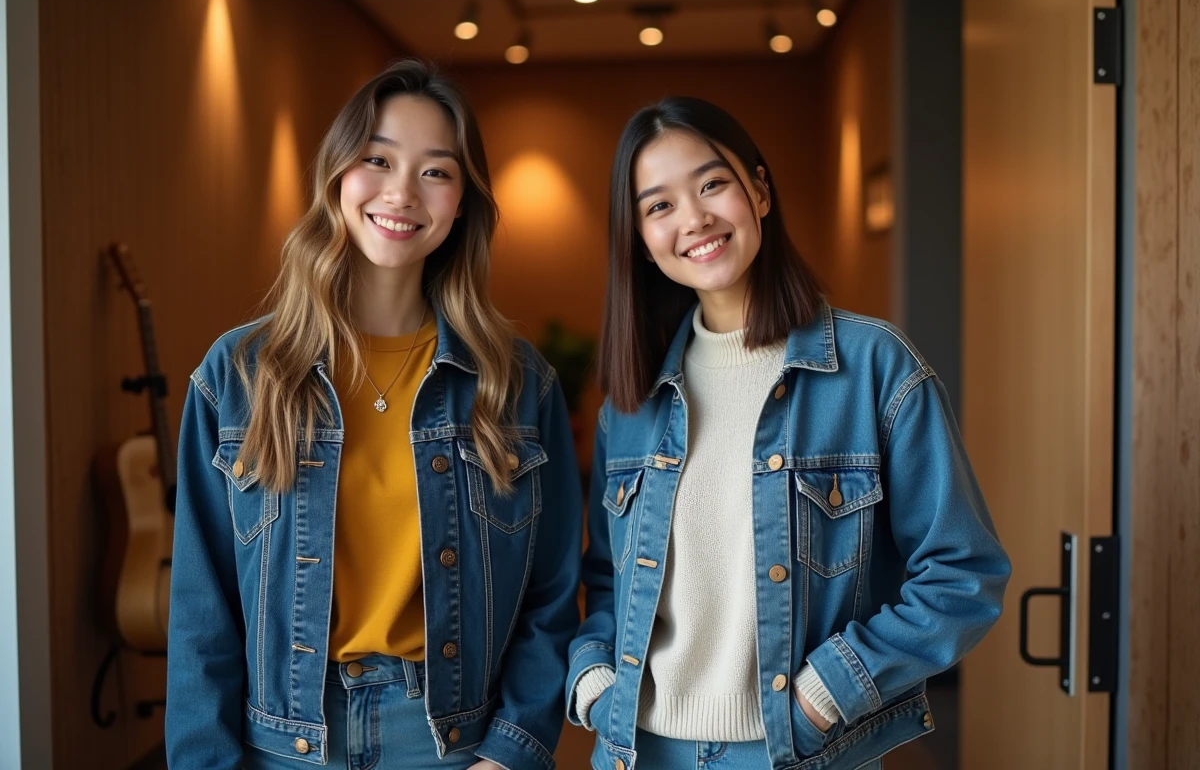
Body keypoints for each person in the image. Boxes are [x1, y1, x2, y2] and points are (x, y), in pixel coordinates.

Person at [566, 97, 1011, 770]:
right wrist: (595, 683)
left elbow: (962, 573)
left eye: (712, 183)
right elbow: (607, 578)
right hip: (638, 751)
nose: (694, 219)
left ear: (760, 191)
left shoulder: (875, 368)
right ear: (640, 240)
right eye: (659, 206)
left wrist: (824, 694)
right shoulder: (631, 403)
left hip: (800, 752)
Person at [166, 59, 582, 770]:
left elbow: (552, 593)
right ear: (336, 176)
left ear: (462, 202)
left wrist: (514, 750)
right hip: (283, 745)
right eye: (377, 159)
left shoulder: (517, 383)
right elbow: (201, 609)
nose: (401, 192)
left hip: (453, 744)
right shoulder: (237, 376)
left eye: (436, 171)